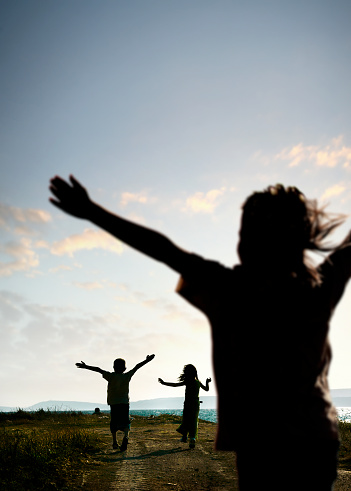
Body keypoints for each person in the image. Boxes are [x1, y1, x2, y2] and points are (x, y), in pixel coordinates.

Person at [49, 176, 351, 490]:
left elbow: (164, 250)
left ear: (249, 244)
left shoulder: (229, 289)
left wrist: (93, 212)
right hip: (315, 439)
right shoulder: (318, 289)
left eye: (244, 235)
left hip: (258, 442)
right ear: (299, 243)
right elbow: (348, 250)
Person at [76, 354, 155, 450]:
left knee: (114, 422)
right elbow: (137, 367)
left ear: (113, 367)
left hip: (113, 403)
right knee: (126, 421)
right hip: (125, 403)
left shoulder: (110, 376)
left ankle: (115, 442)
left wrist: (85, 366)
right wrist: (147, 360)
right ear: (125, 368)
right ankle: (126, 436)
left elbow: (98, 369)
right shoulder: (127, 376)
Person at [158, 364, 211, 448]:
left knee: (186, 419)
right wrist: (207, 382)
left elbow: (175, 385)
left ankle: (185, 437)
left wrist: (164, 383)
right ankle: (192, 438)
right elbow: (207, 389)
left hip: (188, 403)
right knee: (194, 420)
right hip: (196, 403)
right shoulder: (198, 382)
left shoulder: (188, 381)